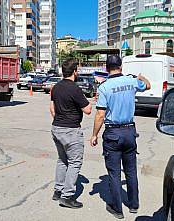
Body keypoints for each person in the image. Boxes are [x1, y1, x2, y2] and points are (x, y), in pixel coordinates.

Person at [90, 55, 151, 219]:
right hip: (129, 132)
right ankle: (133, 204)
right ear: (121, 66)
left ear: (106, 68)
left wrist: (94, 135)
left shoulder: (104, 87)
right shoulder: (131, 82)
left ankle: (117, 209)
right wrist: (140, 77)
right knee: (131, 171)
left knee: (114, 173)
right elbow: (148, 85)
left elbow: (100, 115)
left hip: (113, 134)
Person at [50, 59, 92, 209]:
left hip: (56, 128)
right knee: (75, 162)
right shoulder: (74, 89)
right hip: (71, 130)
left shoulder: (55, 87)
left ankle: (58, 190)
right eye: (78, 69)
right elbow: (87, 110)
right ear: (74, 71)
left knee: (62, 160)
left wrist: (60, 119)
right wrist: (93, 100)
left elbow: (52, 109)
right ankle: (67, 196)